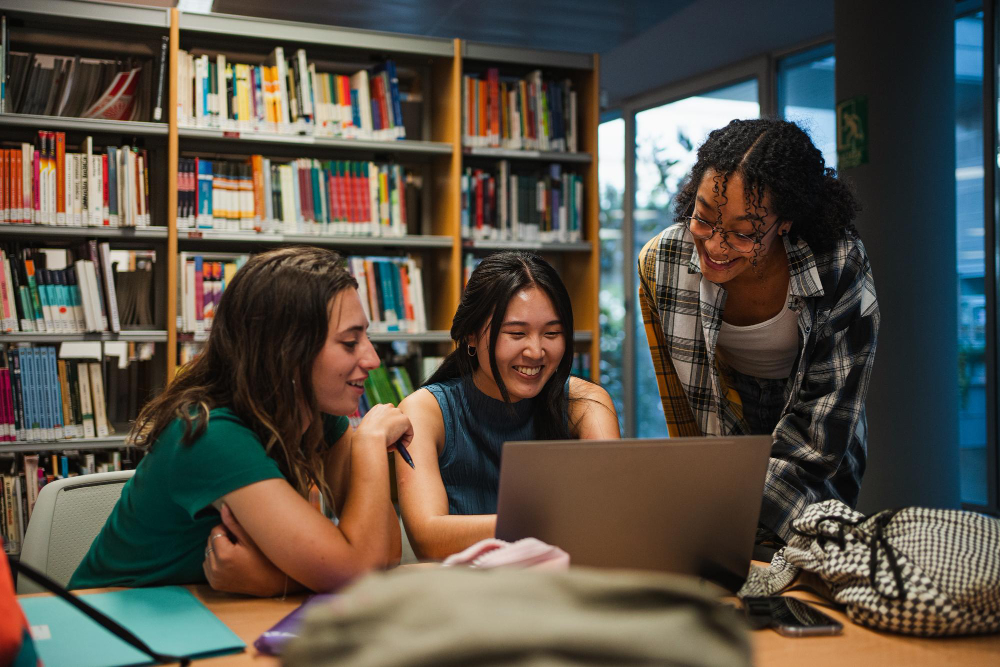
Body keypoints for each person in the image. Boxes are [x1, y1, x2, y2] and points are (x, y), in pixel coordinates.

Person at [70, 246, 408, 595]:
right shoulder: (211, 434)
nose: (372, 358)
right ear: (287, 351)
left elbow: (384, 555)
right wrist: (368, 443)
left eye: (366, 337)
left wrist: (275, 581)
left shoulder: (317, 414)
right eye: (350, 342)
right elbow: (355, 571)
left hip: (204, 613)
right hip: (117, 618)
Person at [638, 118, 879, 544]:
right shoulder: (662, 264)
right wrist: (706, 494)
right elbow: (683, 408)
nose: (714, 246)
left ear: (785, 221)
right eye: (703, 218)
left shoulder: (839, 262)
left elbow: (823, 434)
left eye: (743, 232)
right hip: (724, 413)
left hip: (814, 419)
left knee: (810, 552)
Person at [396, 251, 620, 560]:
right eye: (516, 333)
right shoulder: (425, 411)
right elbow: (429, 538)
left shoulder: (585, 405)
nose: (536, 351)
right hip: (464, 599)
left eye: (552, 333)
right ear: (471, 335)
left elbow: (611, 519)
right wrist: (554, 521)